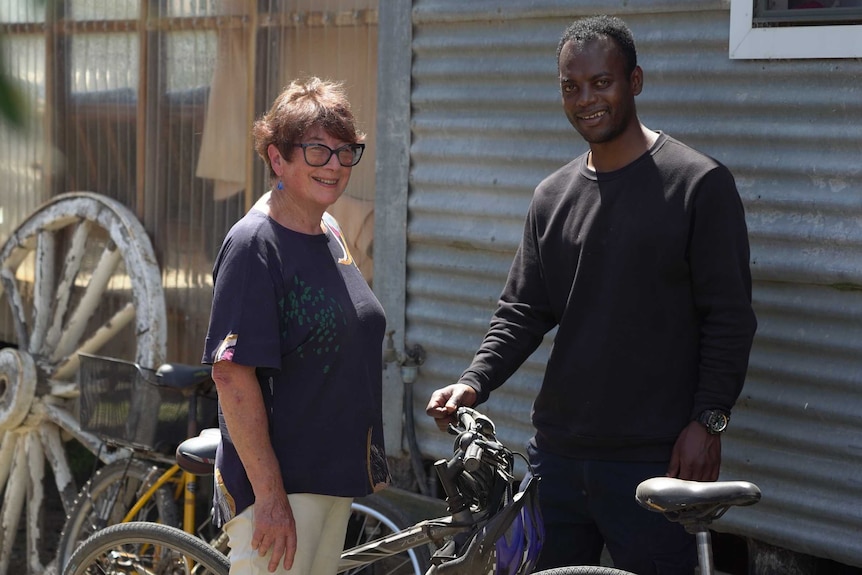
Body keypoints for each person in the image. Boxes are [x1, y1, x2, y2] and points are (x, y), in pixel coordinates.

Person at [426, 15, 757, 575]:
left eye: (601, 82)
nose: (586, 99)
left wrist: (709, 421)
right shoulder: (552, 196)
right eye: (570, 86)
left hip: (655, 459)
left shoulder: (698, 185)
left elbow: (729, 318)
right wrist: (473, 381)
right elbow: (524, 310)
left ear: (635, 81)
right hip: (557, 458)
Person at [203, 77, 389, 575]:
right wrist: (269, 497)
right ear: (276, 159)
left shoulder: (327, 229)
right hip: (283, 491)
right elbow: (231, 374)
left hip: (329, 480)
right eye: (315, 151)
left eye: (345, 151)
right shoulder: (254, 245)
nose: (333, 165)